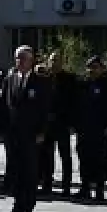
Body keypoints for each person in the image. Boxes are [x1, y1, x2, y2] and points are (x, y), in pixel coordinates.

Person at [1, 45, 49, 212]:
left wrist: (41, 131)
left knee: (29, 171)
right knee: (15, 170)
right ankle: (17, 205)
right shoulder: (9, 79)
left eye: (23, 58)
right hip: (13, 134)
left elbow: (44, 110)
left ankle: (29, 206)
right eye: (17, 58)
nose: (20, 61)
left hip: (31, 134)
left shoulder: (40, 82)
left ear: (31, 61)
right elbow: (5, 106)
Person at [76, 56, 107, 202]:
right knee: (84, 157)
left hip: (100, 128)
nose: (92, 70)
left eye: (95, 67)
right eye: (90, 67)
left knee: (100, 158)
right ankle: (85, 187)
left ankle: (99, 189)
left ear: (101, 68)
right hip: (84, 128)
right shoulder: (83, 84)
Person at [40, 52, 77, 197]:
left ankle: (66, 186)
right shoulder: (44, 78)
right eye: (52, 60)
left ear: (63, 62)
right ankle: (46, 184)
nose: (55, 63)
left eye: (58, 60)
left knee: (65, 156)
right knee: (46, 156)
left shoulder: (69, 79)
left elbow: (73, 103)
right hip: (47, 124)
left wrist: (71, 122)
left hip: (62, 123)